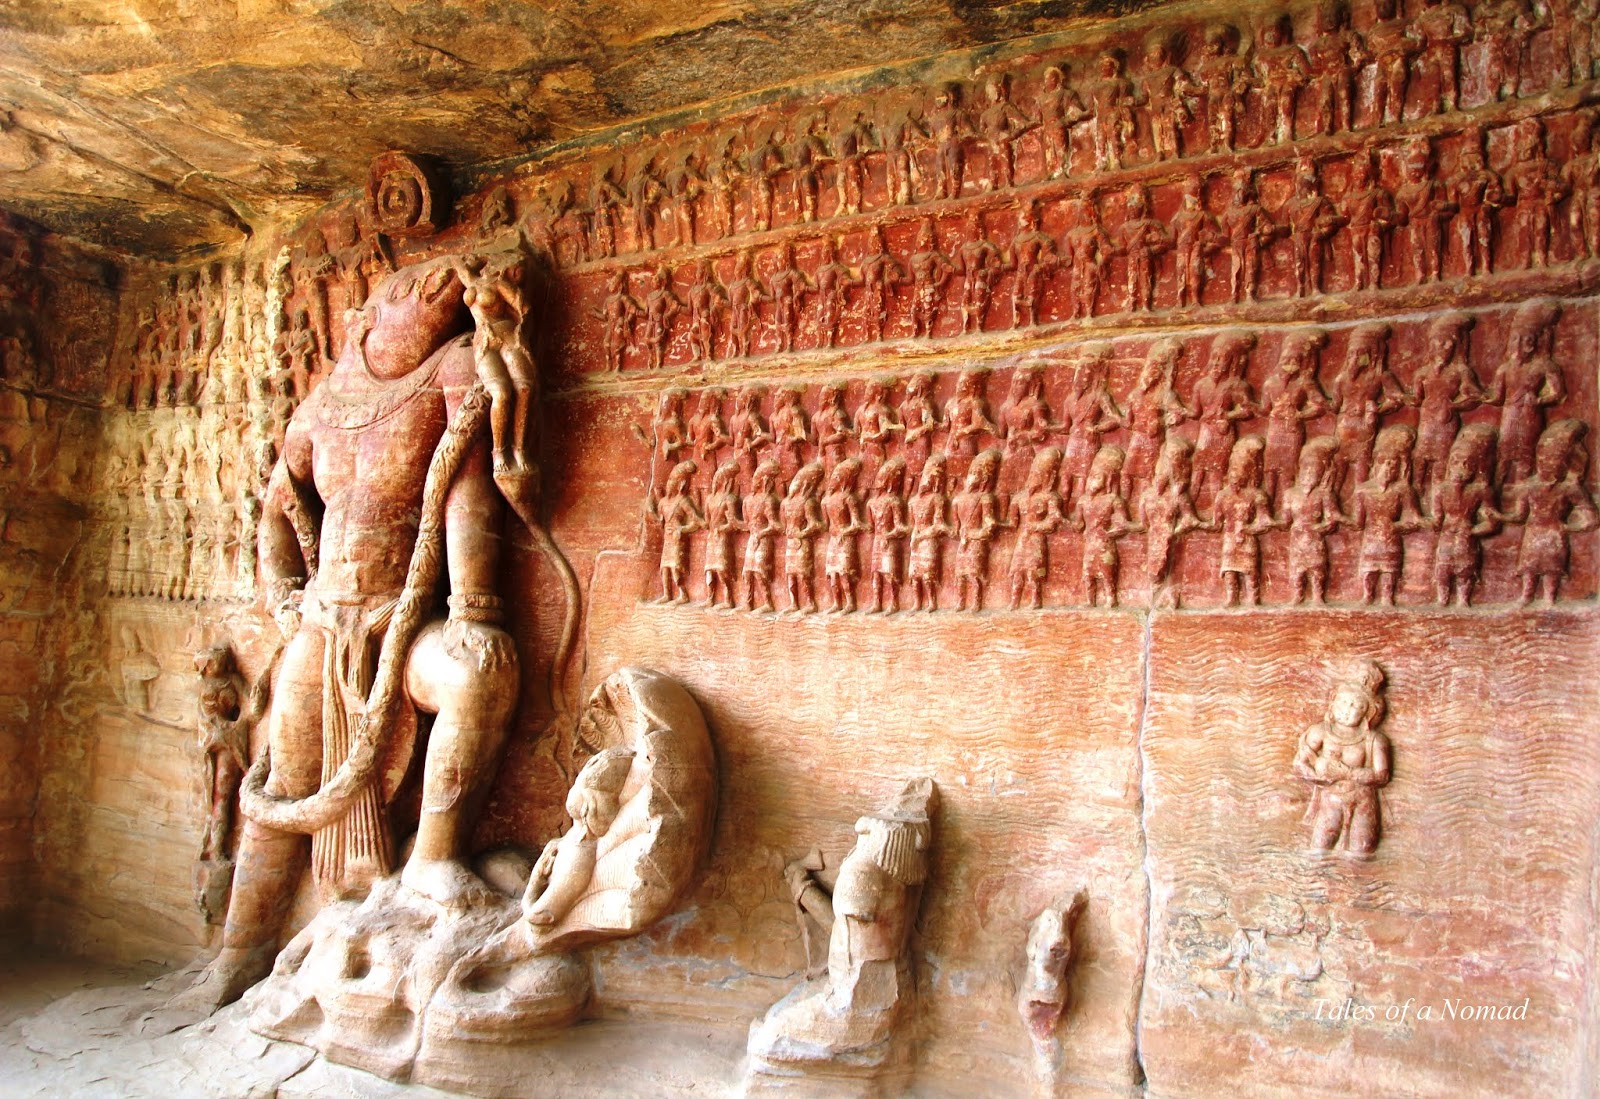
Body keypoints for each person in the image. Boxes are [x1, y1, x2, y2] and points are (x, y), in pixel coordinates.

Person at [171, 258, 523, 1014]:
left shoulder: (451, 371)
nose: (430, 290)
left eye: (441, 289)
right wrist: (285, 599)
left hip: (403, 616)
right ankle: (241, 950)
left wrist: (474, 607)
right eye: (407, 287)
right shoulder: (321, 406)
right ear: (364, 319)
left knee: (479, 675)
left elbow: (466, 493)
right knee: (286, 779)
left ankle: (433, 861)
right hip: (323, 617)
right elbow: (277, 510)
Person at [523, 748, 635, 926]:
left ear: (589, 806)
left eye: (580, 787)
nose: (574, 788)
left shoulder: (579, 859)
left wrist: (535, 881)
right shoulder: (573, 836)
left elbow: (541, 915)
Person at [1294, 661, 1392, 857]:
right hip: (1331, 799)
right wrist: (1317, 776)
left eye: (1357, 706)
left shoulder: (1374, 740)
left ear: (1368, 713)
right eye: (1344, 702)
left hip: (1363, 800)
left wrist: (1347, 773)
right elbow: (1299, 762)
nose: (1347, 709)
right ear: (1333, 703)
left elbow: (1382, 776)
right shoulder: (1320, 732)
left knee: (1361, 852)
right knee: (1320, 849)